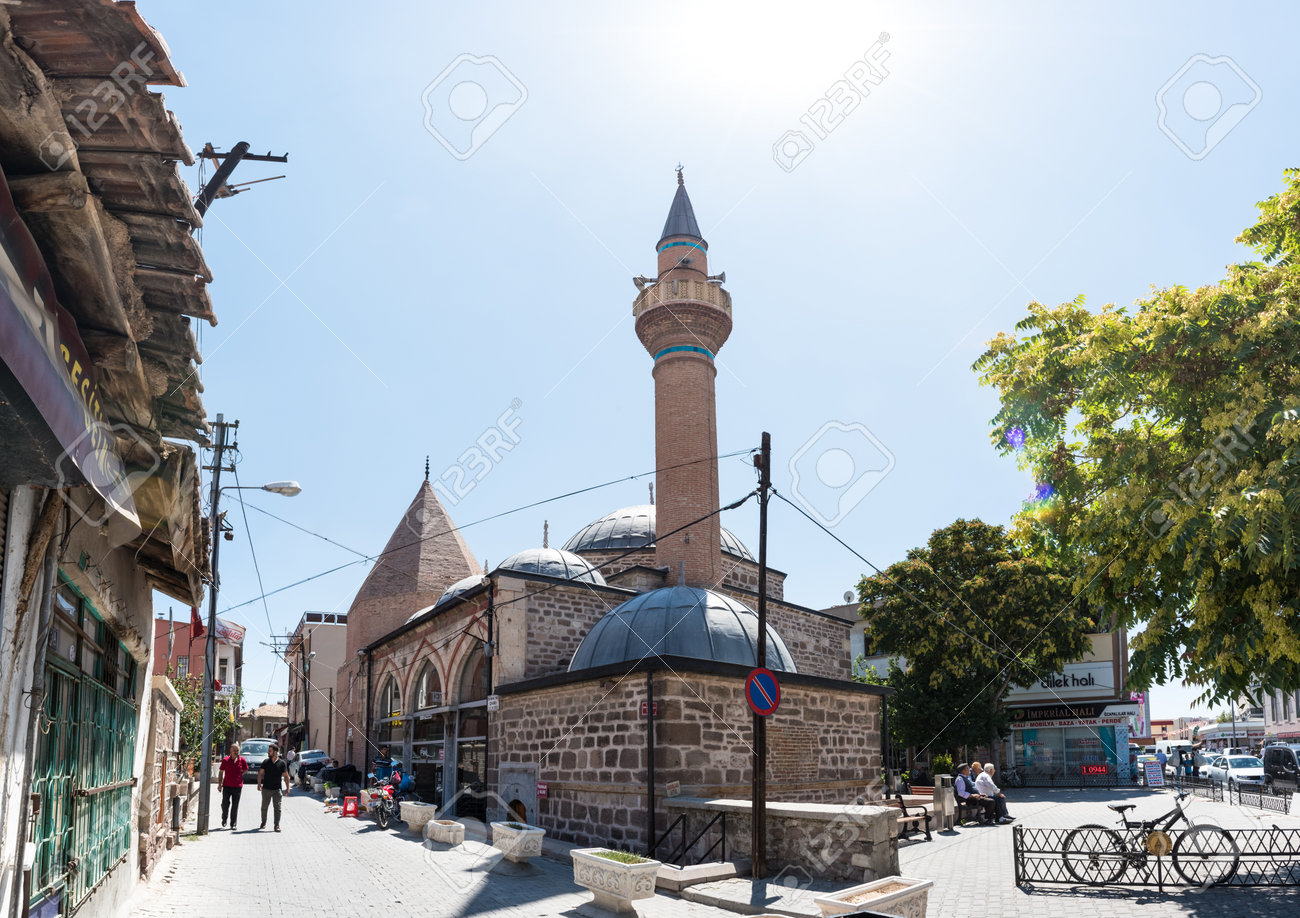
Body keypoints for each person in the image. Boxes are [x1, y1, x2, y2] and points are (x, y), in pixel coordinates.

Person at [257, 742, 292, 832]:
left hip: (277, 790)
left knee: (277, 808)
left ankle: (276, 825)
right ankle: (263, 822)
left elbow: (286, 777)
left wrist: (288, 788)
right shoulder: (265, 762)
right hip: (266, 789)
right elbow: (260, 773)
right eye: (268, 751)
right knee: (264, 807)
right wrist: (259, 784)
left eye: (270, 751)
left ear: (275, 752)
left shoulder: (282, 763)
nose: (268, 753)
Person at [218, 742, 247, 829]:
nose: (236, 752)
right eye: (234, 750)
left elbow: (245, 769)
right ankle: (224, 818)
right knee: (225, 804)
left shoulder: (242, 760)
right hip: (226, 786)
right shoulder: (225, 760)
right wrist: (219, 784)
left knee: (235, 805)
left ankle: (233, 823)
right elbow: (221, 772)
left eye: (237, 750)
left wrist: (240, 775)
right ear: (230, 750)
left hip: (237, 786)